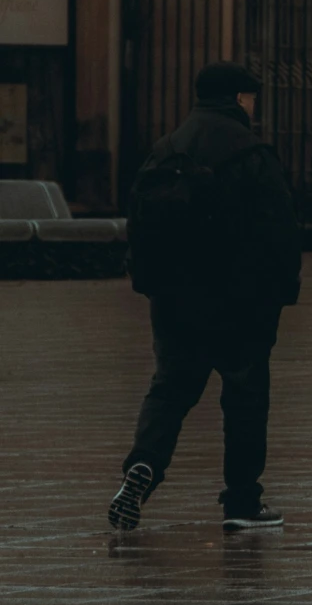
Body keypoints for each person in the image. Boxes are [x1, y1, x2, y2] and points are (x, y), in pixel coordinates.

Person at [109, 60, 301, 534]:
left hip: (174, 297)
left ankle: (145, 466)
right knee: (245, 397)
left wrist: (150, 284)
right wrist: (281, 292)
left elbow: (138, 221)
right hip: (239, 299)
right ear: (240, 99)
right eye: (252, 98)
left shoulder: (166, 149)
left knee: (170, 388)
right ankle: (241, 502)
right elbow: (280, 229)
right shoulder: (251, 152)